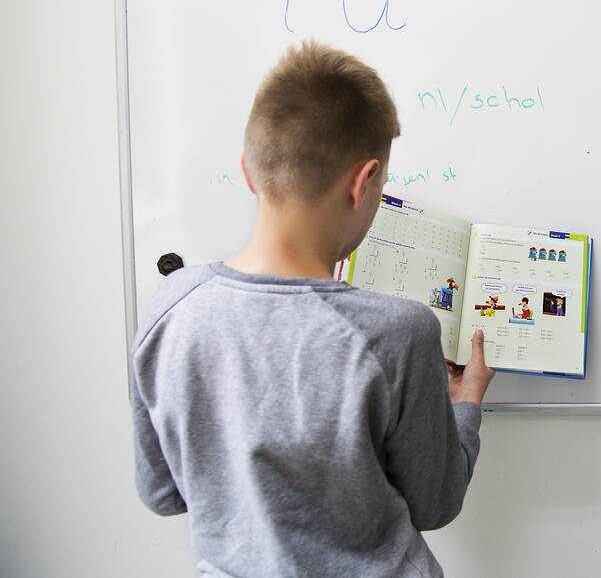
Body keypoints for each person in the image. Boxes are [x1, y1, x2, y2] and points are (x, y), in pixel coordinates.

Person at [130, 41, 495, 578]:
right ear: (362, 183)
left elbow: (162, 492)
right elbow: (435, 504)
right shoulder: (400, 333)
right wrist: (466, 405)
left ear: (249, 172)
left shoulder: (172, 306)